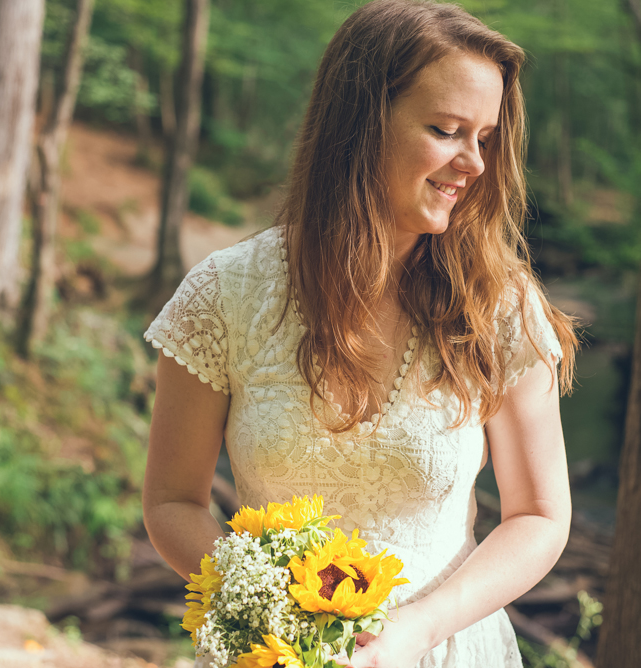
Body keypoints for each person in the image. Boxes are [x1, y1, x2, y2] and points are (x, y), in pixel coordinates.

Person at [142, 1, 579, 666]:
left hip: (442, 652)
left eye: (484, 138)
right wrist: (275, 610)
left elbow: (540, 516)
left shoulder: (501, 307)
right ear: (363, 121)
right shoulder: (222, 296)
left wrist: (416, 630)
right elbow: (173, 501)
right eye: (447, 130)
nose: (475, 163)